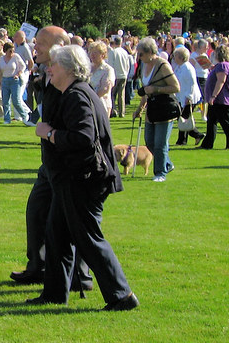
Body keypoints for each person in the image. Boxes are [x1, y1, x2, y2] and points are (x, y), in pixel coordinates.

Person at [27, 45, 138, 311]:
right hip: (73, 177)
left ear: (67, 68)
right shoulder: (74, 93)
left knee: (89, 237)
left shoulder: (77, 96)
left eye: (53, 65)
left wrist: (50, 133)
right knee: (57, 234)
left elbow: (84, 138)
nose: (49, 69)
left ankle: (122, 296)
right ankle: (54, 294)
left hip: (84, 179)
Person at [10, 25, 90, 291]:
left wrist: (51, 134)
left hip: (67, 164)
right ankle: (38, 266)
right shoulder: (47, 73)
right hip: (50, 162)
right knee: (37, 211)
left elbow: (79, 131)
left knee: (71, 220)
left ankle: (81, 276)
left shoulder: (69, 81)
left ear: (59, 46)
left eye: (41, 43)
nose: (35, 46)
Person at [133, 37, 180, 183]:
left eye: (140, 54)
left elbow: (176, 87)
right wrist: (140, 108)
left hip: (165, 107)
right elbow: (146, 90)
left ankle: (160, 173)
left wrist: (157, 89)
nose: (138, 57)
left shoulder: (162, 65)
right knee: (149, 142)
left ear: (149, 52)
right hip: (151, 108)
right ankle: (167, 164)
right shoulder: (143, 65)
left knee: (160, 143)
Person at [198, 44, 229, 150]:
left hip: (221, 99)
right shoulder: (223, 65)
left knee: (225, 122)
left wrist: (213, 96)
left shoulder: (223, 65)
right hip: (219, 99)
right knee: (211, 121)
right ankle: (207, 144)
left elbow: (221, 81)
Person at [172, 47, 205, 146]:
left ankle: (186, 138)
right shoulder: (179, 67)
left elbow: (192, 83)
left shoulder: (187, 67)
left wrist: (189, 97)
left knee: (183, 118)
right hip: (182, 96)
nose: (174, 58)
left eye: (176, 56)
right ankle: (188, 138)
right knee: (183, 118)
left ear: (181, 57)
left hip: (188, 97)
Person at [0, 41, 31, 124]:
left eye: (12, 51)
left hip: (14, 80)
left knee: (16, 100)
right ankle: (7, 119)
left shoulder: (16, 57)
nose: (11, 53)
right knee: (5, 101)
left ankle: (24, 115)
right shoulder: (1, 58)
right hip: (5, 80)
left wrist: (18, 74)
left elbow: (23, 66)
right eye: (10, 51)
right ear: (5, 51)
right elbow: (0, 69)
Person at [87, 41, 115, 118]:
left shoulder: (108, 70)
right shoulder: (87, 68)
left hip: (101, 105)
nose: (92, 55)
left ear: (103, 54)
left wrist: (90, 99)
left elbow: (105, 89)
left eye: (95, 53)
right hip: (87, 105)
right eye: (91, 52)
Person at [107, 36, 132, 118]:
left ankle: (113, 111)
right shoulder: (125, 52)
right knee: (121, 95)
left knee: (112, 94)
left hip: (116, 75)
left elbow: (111, 64)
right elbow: (128, 65)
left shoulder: (113, 52)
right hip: (123, 75)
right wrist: (126, 73)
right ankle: (122, 112)